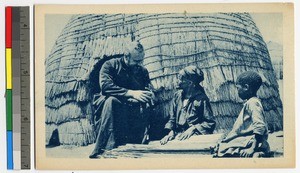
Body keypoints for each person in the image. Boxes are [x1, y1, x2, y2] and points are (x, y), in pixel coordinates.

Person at [89, 41, 155, 158]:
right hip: (111, 107)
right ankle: (105, 148)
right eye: (136, 61)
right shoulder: (110, 65)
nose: (139, 64)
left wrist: (148, 95)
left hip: (132, 108)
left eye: (141, 60)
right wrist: (131, 93)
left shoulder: (142, 71)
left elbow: (147, 88)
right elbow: (106, 87)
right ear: (126, 56)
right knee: (111, 101)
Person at [213, 71, 270, 158]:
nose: (237, 91)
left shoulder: (253, 103)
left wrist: (252, 148)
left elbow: (259, 126)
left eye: (238, 88)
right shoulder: (251, 102)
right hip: (248, 140)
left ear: (246, 87)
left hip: (250, 142)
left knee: (223, 149)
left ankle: (258, 152)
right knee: (223, 145)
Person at [160, 65, 216, 145]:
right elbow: (172, 119)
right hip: (178, 136)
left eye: (180, 78)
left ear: (189, 83)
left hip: (194, 137)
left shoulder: (201, 99)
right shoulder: (177, 96)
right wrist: (171, 132)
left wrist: (193, 129)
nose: (177, 81)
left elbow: (210, 122)